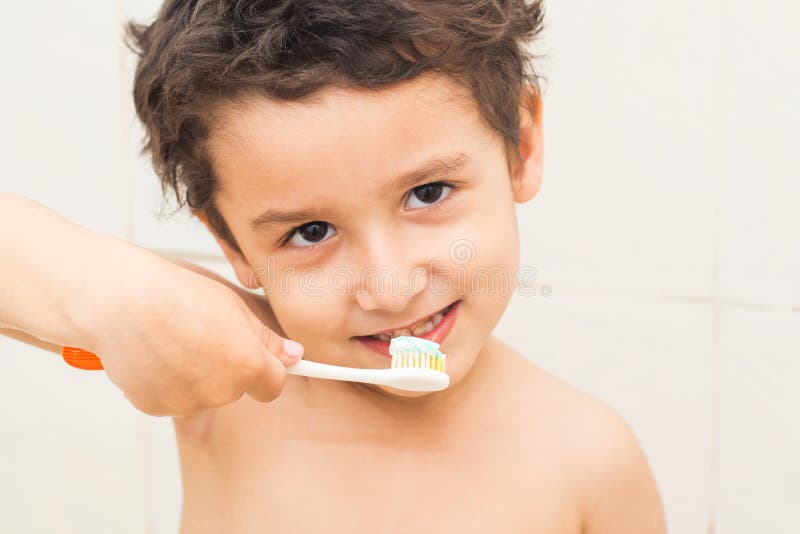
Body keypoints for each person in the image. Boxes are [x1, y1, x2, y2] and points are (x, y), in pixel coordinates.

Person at [0, 1, 667, 531]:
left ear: (519, 146)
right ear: (231, 244)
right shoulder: (229, 374)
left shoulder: (588, 461)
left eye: (427, 193)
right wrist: (109, 296)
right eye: (310, 231)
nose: (390, 286)